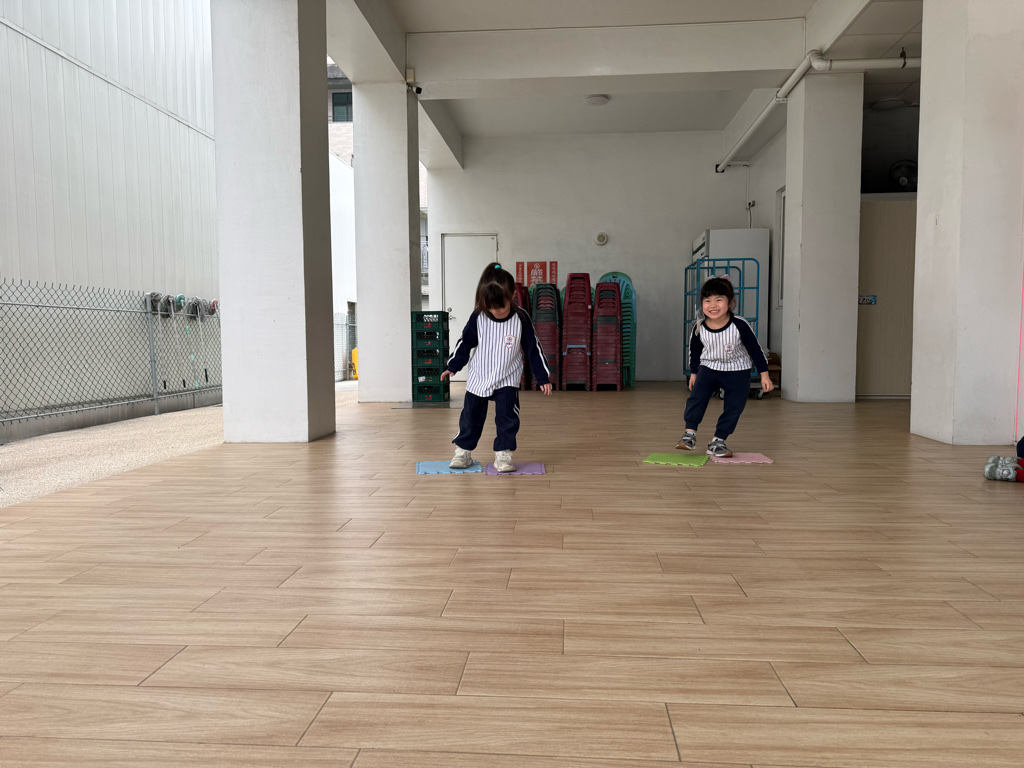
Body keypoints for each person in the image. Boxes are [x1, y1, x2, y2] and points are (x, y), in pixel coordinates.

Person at [442, 262, 552, 472]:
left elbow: (533, 348)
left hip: (507, 376)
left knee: (507, 418)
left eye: (500, 306)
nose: (495, 311)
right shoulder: (479, 315)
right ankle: (463, 451)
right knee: (471, 416)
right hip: (479, 375)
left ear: (512, 296)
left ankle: (503, 454)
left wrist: (542, 376)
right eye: (491, 307)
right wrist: (453, 365)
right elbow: (465, 342)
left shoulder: (521, 318)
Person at [676, 276, 773, 458]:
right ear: (702, 304)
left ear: (730, 302)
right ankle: (689, 434)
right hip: (709, 368)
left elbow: (755, 349)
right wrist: (694, 373)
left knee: (735, 406)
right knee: (696, 399)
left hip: (737, 370)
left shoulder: (740, 325)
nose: (713, 305)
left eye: (719, 300)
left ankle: (718, 440)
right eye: (707, 301)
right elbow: (694, 353)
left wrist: (764, 374)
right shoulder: (699, 327)